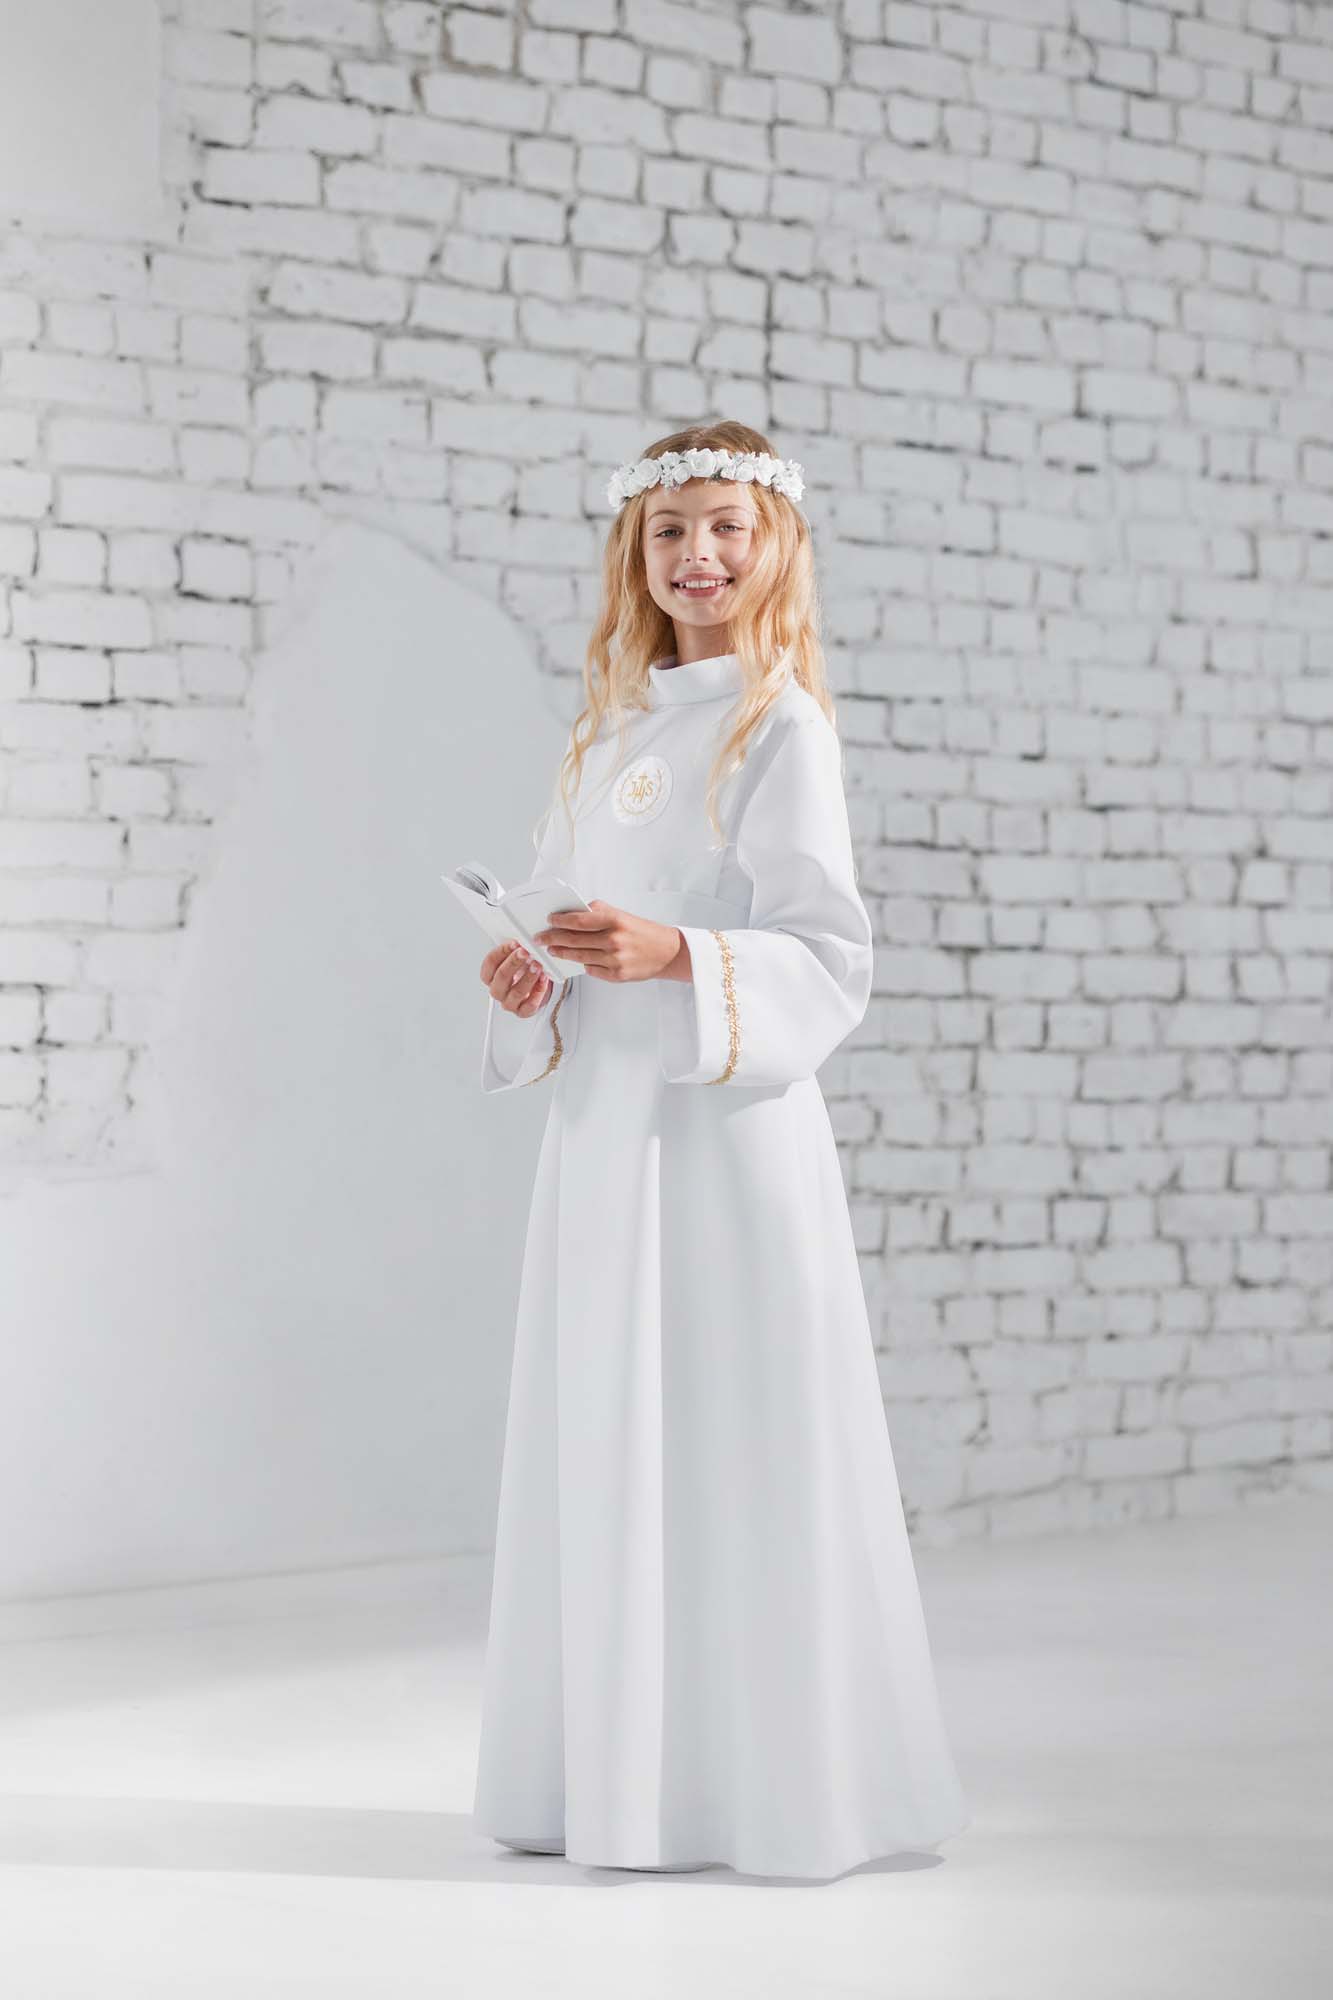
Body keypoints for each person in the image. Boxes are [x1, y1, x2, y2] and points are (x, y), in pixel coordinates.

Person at [470, 420, 970, 1879]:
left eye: (726, 528)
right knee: (611, 1421)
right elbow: (568, 915)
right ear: (635, 553)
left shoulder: (779, 726)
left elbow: (828, 951)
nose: (698, 555)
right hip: (606, 1139)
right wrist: (531, 970)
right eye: (671, 530)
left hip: (725, 1135)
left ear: (774, 549)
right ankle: (619, 1785)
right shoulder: (606, 737)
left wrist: (678, 952)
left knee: (735, 1430)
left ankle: (770, 1793)